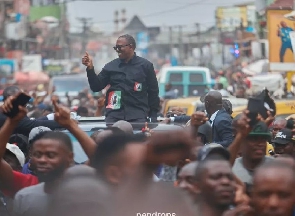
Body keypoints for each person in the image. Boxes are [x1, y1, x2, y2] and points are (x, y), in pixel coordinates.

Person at [82, 34, 160, 123]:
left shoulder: (146, 66)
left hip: (137, 116)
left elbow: (153, 92)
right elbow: (96, 87)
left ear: (131, 47)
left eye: (120, 47)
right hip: (114, 116)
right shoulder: (110, 66)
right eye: (116, 48)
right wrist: (90, 69)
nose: (117, 50)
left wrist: (153, 116)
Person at [13, 131, 74, 216]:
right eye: (37, 155)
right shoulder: (24, 198)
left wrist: (72, 127)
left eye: (51, 155)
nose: (42, 160)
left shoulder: (85, 197)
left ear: (69, 157)